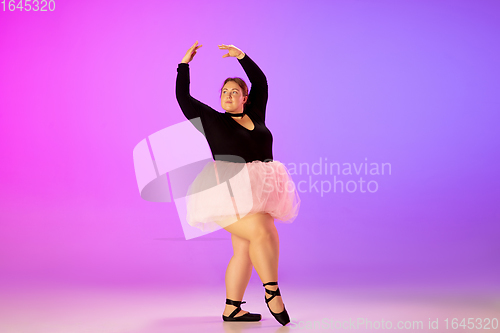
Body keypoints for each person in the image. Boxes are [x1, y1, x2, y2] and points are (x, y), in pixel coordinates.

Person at [175, 41, 300, 326]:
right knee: (263, 230)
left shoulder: (256, 114)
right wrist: (184, 65)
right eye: (224, 92)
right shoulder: (211, 120)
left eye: (235, 92)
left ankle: (232, 308)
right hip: (223, 193)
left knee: (243, 249)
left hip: (258, 192)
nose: (229, 95)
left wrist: (241, 56)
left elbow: (261, 81)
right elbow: (184, 97)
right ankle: (272, 292)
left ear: (245, 98)